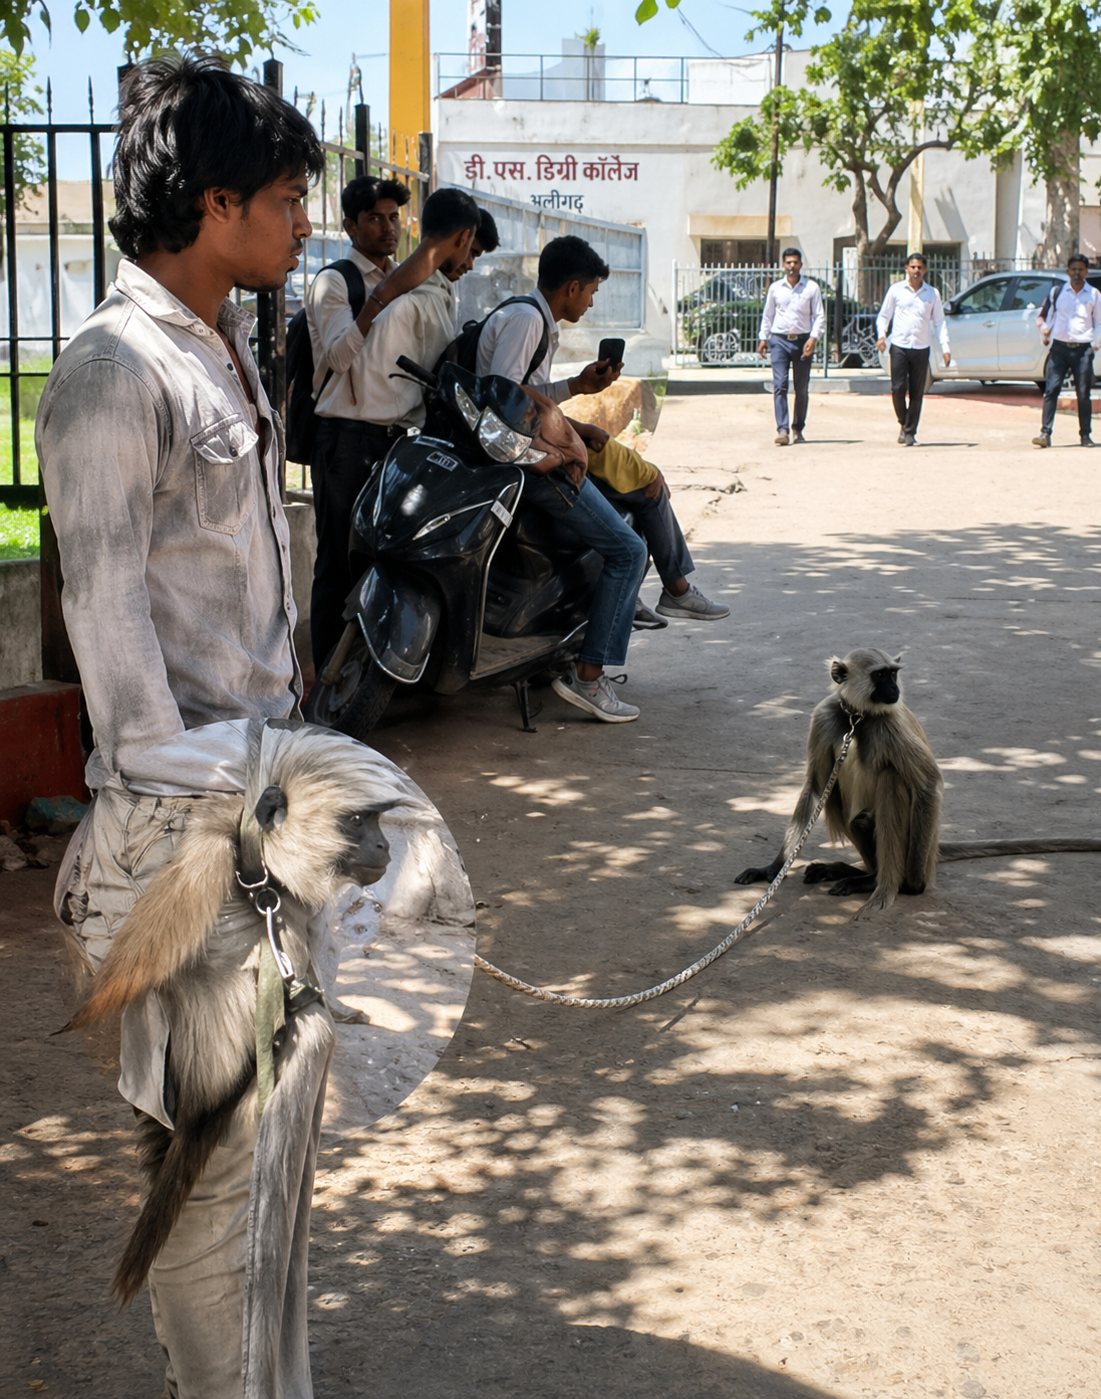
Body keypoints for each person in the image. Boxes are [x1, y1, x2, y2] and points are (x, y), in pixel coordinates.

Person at [34, 56, 331, 1397]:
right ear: (215, 204)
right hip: (190, 852)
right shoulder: (112, 373)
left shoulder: (218, 344)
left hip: (262, 822)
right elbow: (123, 675)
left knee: (275, 1177)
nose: (304, 222)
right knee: (215, 1204)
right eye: (286, 198)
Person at [472, 234, 656, 720]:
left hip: (532, 457)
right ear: (572, 287)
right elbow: (505, 398)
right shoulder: (527, 320)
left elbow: (527, 393)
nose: (591, 302)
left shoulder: (533, 320)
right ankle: (589, 677)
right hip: (530, 467)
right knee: (628, 551)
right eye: (591, 291)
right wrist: (562, 449)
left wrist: (577, 387)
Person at [306, 186, 479, 669]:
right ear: (350, 226)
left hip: (394, 443)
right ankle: (326, 678)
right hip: (346, 440)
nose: (388, 228)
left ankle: (365, 675)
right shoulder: (335, 282)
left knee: (381, 561)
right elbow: (338, 357)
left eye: (393, 218)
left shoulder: (409, 280)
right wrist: (379, 301)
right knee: (338, 564)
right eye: (375, 218)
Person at [876, 252, 951, 446]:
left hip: (921, 347)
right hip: (899, 346)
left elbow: (939, 322)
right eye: (913, 267)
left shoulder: (932, 294)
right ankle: (903, 422)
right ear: (906, 269)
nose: (916, 271)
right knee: (897, 388)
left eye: (919, 267)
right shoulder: (896, 290)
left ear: (925, 270)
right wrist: (882, 335)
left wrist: (945, 347)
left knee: (917, 392)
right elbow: (884, 316)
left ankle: (909, 432)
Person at [1032, 253, 1101, 449]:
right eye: (1073, 269)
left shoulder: (1094, 295)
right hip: (1059, 349)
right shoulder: (1057, 292)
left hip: (1083, 351)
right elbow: (1044, 316)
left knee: (1083, 393)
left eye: (1080, 269)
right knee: (1051, 390)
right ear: (1067, 271)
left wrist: (1094, 345)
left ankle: (1085, 435)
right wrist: (1045, 332)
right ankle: (1045, 433)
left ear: (1086, 271)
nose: (1076, 273)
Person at [758, 248, 825, 445]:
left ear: (801, 264)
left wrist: (813, 338)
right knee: (780, 385)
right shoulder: (776, 288)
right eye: (788, 262)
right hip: (779, 341)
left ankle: (798, 428)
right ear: (783, 264)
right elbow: (768, 314)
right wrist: (763, 338)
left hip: (803, 342)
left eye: (795, 262)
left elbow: (819, 316)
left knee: (801, 388)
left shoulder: (811, 288)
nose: (792, 266)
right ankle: (782, 429)